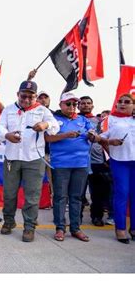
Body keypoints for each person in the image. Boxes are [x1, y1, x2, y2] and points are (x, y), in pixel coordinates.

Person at [0, 80, 59, 242]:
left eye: (30, 97)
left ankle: (29, 227)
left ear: (35, 97)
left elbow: (55, 125)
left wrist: (46, 124)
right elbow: (0, 128)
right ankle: (9, 221)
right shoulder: (9, 110)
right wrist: (7, 135)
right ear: (18, 94)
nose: (26, 99)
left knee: (32, 195)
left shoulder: (42, 110)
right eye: (23, 96)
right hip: (12, 157)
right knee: (9, 193)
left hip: (33, 158)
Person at [45, 92, 100, 242]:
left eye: (74, 104)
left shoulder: (83, 119)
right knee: (60, 197)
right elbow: (48, 138)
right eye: (68, 104)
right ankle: (60, 228)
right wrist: (65, 135)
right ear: (60, 105)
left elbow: (93, 135)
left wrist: (91, 135)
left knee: (77, 197)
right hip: (61, 164)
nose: (72, 107)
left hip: (81, 164)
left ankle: (75, 228)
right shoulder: (54, 120)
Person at [100, 94, 134, 244]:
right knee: (122, 193)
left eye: (127, 102)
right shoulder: (110, 119)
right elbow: (100, 138)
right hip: (120, 162)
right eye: (120, 102)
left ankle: (134, 228)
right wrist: (109, 143)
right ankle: (120, 228)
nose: (122, 104)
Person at [78, 96, 112, 226]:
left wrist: (109, 156)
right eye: (82, 103)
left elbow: (104, 139)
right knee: (78, 193)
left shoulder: (99, 121)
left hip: (97, 161)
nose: (85, 105)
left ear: (92, 106)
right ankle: (77, 217)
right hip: (79, 161)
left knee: (98, 193)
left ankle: (97, 217)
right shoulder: (75, 119)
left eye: (88, 103)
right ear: (78, 105)